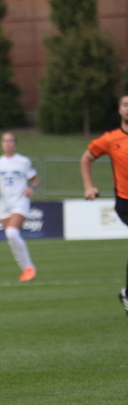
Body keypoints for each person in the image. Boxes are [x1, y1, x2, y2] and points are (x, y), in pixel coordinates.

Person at [81, 94, 128, 315]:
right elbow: (86, 158)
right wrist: (89, 186)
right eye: (126, 105)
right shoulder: (111, 139)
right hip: (125, 201)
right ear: (119, 110)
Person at [0, 132, 39, 282]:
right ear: (2, 144)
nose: (8, 143)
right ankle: (25, 270)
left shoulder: (23, 161)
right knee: (11, 237)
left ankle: (29, 268)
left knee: (12, 233)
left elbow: (35, 179)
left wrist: (31, 188)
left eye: (10, 141)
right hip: (3, 204)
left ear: (15, 143)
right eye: (5, 141)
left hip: (20, 201)